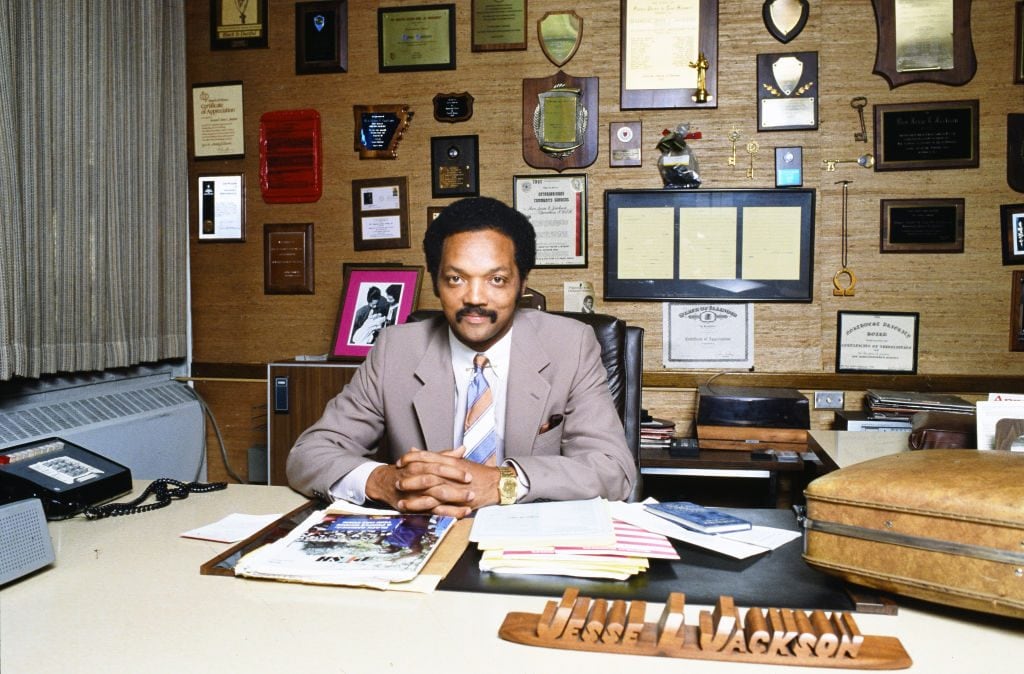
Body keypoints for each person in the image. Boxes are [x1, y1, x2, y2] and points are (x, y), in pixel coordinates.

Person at [287, 196, 636, 518]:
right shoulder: (396, 349)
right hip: (425, 536)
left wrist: (503, 481)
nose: (475, 298)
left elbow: (612, 470)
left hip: (529, 538)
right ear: (437, 284)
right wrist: (384, 481)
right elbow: (309, 454)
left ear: (523, 283)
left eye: (496, 280)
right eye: (456, 279)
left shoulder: (570, 345)